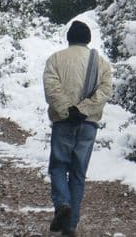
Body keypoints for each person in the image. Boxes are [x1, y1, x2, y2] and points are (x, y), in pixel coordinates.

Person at [43, 20, 113, 236]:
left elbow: (51, 88)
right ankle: (71, 226)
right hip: (88, 124)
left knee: (58, 167)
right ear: (88, 39)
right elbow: (104, 91)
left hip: (63, 122)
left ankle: (63, 204)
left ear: (69, 38)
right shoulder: (101, 63)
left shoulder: (55, 59)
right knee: (78, 173)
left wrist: (67, 110)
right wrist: (83, 110)